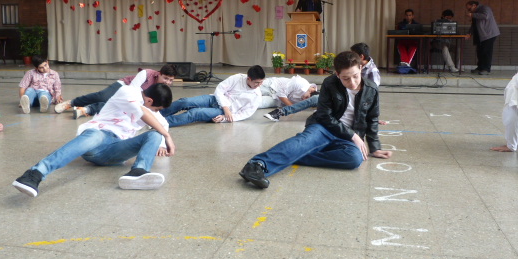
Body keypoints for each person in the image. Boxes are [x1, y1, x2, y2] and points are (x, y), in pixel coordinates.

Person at [240, 51, 392, 189]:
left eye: (355, 76)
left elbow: (372, 118)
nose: (352, 82)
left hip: (347, 136)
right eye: (346, 78)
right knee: (304, 141)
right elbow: (324, 115)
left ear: (360, 68)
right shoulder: (330, 83)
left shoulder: (371, 89)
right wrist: (353, 135)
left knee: (354, 159)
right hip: (324, 127)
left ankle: (295, 154)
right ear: (337, 74)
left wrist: (375, 147)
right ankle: (257, 165)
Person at [12, 83, 174, 197]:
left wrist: (161, 142)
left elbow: (162, 124)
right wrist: (167, 136)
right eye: (156, 109)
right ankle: (36, 173)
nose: (156, 112)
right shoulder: (128, 91)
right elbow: (143, 112)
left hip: (115, 151)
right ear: (149, 100)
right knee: (96, 135)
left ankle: (138, 172)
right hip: (97, 140)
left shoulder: (151, 109)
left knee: (155, 134)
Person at [265, 42, 380, 122]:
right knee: (317, 99)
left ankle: (281, 112)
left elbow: (370, 96)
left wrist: (369, 117)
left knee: (316, 100)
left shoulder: (372, 72)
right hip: (340, 95)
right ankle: (281, 112)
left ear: (361, 57)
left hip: (349, 101)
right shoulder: (351, 67)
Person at [55, 64, 176, 119]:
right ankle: (71, 103)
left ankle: (86, 110)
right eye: (165, 78)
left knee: (116, 107)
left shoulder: (163, 89)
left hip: (137, 100)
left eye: (171, 80)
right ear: (159, 74)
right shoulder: (146, 73)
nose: (167, 82)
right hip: (124, 87)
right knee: (102, 97)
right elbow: (132, 89)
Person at [161, 65, 265, 126]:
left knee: (195, 113)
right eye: (257, 82)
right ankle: (157, 114)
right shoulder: (238, 78)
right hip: (214, 99)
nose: (259, 85)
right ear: (248, 78)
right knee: (185, 101)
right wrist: (225, 107)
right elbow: (220, 89)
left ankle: (160, 123)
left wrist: (224, 118)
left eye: (261, 82)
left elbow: (246, 114)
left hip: (222, 112)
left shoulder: (256, 95)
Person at [466, 0, 500, 75]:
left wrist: (472, 15)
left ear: (474, 5)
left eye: (469, 9)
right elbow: (474, 25)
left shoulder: (485, 8)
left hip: (489, 34)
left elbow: (485, 16)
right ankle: (480, 67)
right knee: (479, 51)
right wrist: (469, 33)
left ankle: (486, 69)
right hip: (480, 35)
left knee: (486, 51)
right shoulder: (475, 13)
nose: (469, 11)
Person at [431, 9, 459, 73]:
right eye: (447, 18)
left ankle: (459, 66)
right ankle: (451, 67)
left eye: (450, 18)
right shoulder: (437, 22)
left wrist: (453, 27)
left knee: (457, 49)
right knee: (445, 48)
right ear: (443, 16)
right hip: (437, 43)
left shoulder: (452, 24)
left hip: (447, 43)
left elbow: (457, 33)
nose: (448, 20)